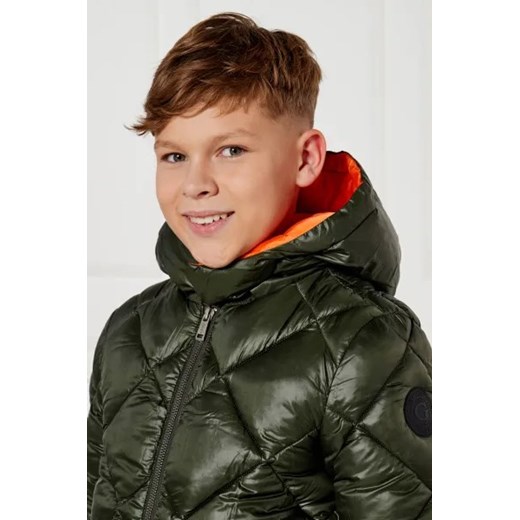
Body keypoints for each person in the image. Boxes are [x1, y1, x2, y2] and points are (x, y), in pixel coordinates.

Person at [87, 11, 432, 520]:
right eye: (174, 156)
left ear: (305, 159)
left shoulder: (365, 344)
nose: (195, 185)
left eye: (231, 150)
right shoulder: (129, 332)